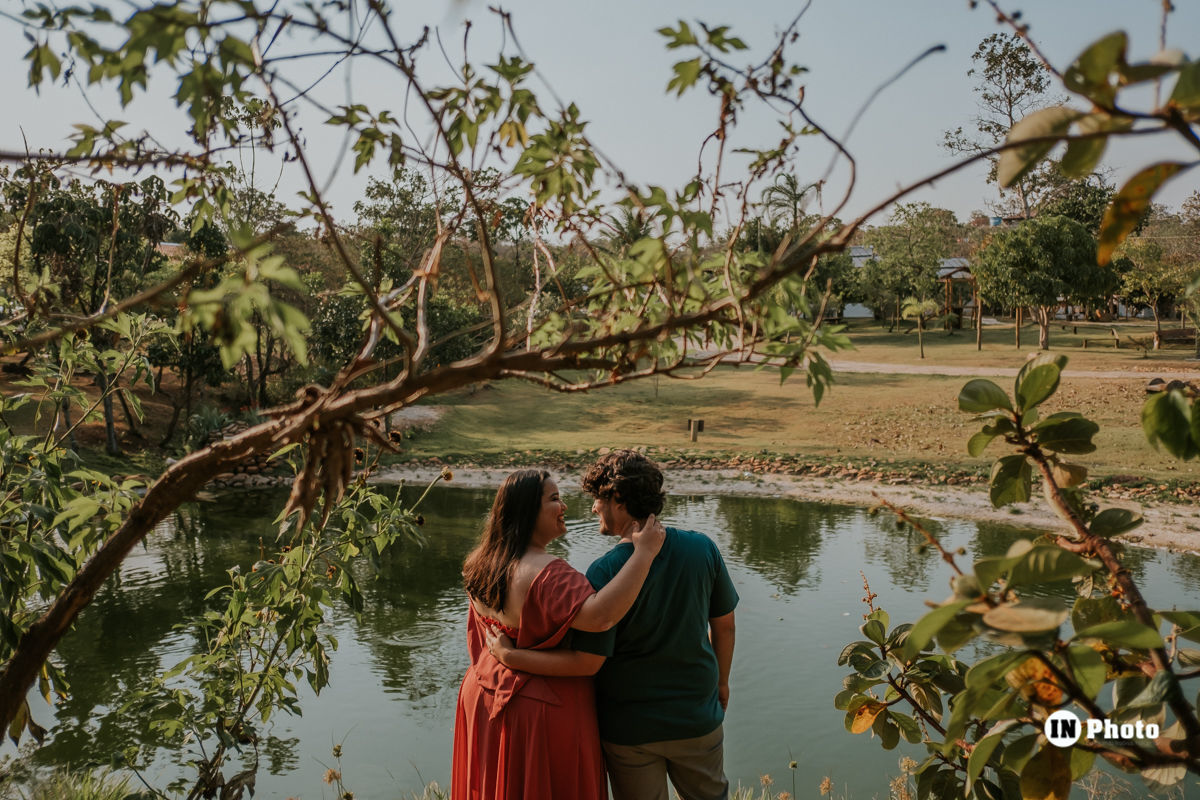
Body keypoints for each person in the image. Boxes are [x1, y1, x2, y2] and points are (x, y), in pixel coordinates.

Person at [490, 451, 739, 800]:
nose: (593, 508)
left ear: (618, 500)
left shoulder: (603, 573)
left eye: (598, 499)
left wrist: (511, 657)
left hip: (629, 730)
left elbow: (588, 660)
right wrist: (722, 682)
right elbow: (724, 626)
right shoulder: (703, 549)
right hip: (696, 716)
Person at [451, 468, 665, 800]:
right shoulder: (548, 574)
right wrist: (644, 554)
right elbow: (601, 617)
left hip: (481, 697)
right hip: (540, 714)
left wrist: (510, 656)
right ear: (527, 511)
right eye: (554, 499)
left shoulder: (477, 563)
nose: (564, 506)